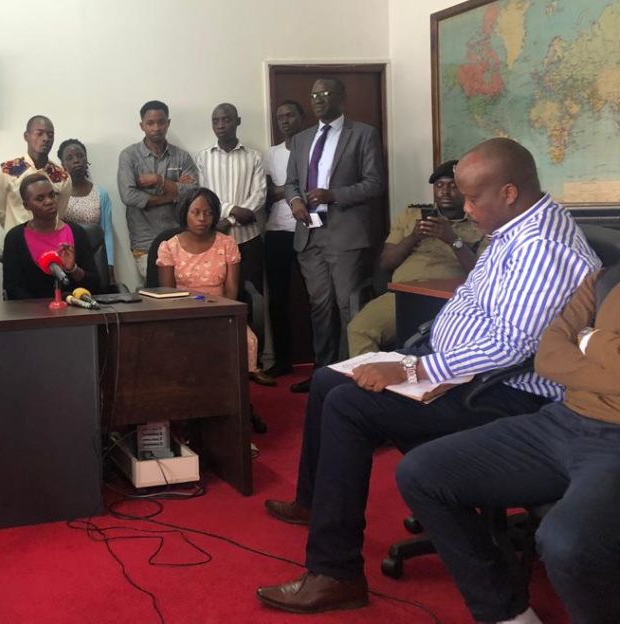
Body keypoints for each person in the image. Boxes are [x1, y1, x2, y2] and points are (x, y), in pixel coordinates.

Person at [255, 138, 599, 615]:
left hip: (502, 391)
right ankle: (317, 503)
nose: (465, 207)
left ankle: (335, 572)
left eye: (473, 198)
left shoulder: (543, 248)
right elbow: (474, 303)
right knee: (330, 380)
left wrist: (411, 367)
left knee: (349, 405)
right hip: (461, 369)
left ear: (509, 192)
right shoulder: (512, 228)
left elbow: (511, 347)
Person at [398, 263, 620, 624]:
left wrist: (587, 339)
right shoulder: (606, 279)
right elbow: (548, 357)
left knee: (566, 542)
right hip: (562, 419)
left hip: (614, 444)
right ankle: (506, 614)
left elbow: (566, 350)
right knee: (421, 472)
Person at [285, 78, 384, 391]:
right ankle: (322, 374)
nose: (319, 99)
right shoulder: (301, 139)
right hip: (310, 234)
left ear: (342, 98)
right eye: (314, 94)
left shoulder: (363, 134)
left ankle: (347, 374)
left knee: (346, 306)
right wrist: (295, 201)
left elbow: (374, 183)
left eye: (326, 94)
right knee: (320, 307)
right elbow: (291, 183)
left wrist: (334, 195)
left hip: (346, 234)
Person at [346, 160, 485, 356]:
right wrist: (412, 238)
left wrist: (452, 239)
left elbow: (482, 275)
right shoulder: (411, 214)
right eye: (439, 186)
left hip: (450, 300)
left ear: (466, 190)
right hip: (403, 296)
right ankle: (371, 375)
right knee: (359, 329)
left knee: (448, 344)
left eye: (453, 186)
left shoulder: (481, 221)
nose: (444, 192)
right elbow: (386, 262)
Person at [156, 187, 260, 372]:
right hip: (182, 316)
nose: (202, 218)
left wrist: (220, 316)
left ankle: (236, 389)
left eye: (208, 213)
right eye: (195, 212)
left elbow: (232, 291)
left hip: (222, 313)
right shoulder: (169, 247)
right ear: (184, 213)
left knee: (247, 340)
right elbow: (168, 296)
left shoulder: (227, 243)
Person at [117, 100, 199, 284]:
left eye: (161, 122)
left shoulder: (182, 157)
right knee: (158, 290)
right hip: (145, 241)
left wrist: (158, 180)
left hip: (180, 237)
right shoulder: (129, 156)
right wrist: (173, 192)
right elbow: (128, 196)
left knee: (184, 288)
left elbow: (193, 193)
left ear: (168, 123)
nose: (156, 128)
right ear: (142, 126)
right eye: (150, 123)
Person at [194, 103, 267, 295]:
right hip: (214, 237)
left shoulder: (254, 157)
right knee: (217, 294)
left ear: (238, 121)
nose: (220, 125)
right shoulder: (203, 158)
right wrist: (233, 210)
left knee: (253, 295)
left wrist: (229, 220)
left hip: (248, 239)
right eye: (215, 121)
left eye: (226, 120)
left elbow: (259, 195)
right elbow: (204, 196)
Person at [262, 100, 306, 379]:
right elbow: (265, 194)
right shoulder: (271, 154)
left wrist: (286, 190)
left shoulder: (311, 148)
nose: (285, 121)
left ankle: (321, 358)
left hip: (309, 229)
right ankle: (282, 360)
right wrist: (293, 190)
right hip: (277, 231)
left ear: (302, 117)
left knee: (316, 297)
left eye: (290, 115)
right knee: (277, 299)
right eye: (281, 117)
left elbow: (316, 188)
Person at [2, 173, 100, 300]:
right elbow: (12, 289)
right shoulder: (15, 238)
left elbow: (95, 285)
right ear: (26, 205)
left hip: (75, 308)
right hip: (31, 311)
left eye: (52, 195)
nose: (49, 202)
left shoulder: (77, 232)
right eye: (40, 198)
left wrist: (74, 269)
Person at [0, 115, 71, 232]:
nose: (46, 139)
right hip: (17, 238)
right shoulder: (7, 170)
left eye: (50, 135)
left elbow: (59, 213)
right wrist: (15, 233)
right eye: (39, 133)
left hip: (49, 239)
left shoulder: (62, 176)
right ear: (26, 136)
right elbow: (0, 212)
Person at [58, 138, 115, 283]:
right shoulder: (57, 195)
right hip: (65, 259)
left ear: (86, 159)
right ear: (62, 165)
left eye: (80, 156)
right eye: (69, 158)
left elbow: (107, 233)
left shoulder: (101, 194)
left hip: (94, 260)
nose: (76, 160)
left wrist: (110, 267)